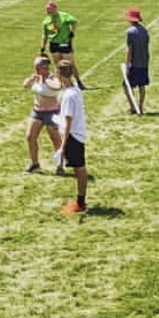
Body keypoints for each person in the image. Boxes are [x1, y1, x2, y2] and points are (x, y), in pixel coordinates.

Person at [55, 59, 88, 213]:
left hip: (73, 136)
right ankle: (80, 200)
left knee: (79, 168)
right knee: (77, 168)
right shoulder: (75, 90)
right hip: (77, 133)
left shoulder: (68, 96)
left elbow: (68, 121)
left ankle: (81, 203)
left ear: (59, 74)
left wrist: (63, 145)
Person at [22, 55, 62, 172]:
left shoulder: (53, 78)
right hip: (37, 112)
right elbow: (25, 85)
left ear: (45, 68)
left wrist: (46, 80)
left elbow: (56, 87)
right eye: (36, 68)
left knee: (56, 140)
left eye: (39, 68)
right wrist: (31, 79)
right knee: (30, 137)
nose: (37, 70)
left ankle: (60, 165)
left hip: (52, 112)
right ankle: (35, 164)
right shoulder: (36, 77)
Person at [40, 0, 85, 88]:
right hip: (53, 44)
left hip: (64, 43)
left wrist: (72, 32)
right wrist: (42, 46)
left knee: (70, 64)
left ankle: (78, 82)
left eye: (50, 9)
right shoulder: (46, 21)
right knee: (58, 65)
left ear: (55, 8)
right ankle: (62, 83)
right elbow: (44, 35)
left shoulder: (63, 16)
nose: (48, 11)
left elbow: (74, 21)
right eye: (47, 10)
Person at [123, 7, 150, 114]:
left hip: (134, 63)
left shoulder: (130, 32)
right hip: (144, 61)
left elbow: (129, 50)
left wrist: (127, 64)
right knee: (141, 85)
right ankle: (140, 107)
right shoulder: (144, 30)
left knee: (126, 86)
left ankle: (133, 107)